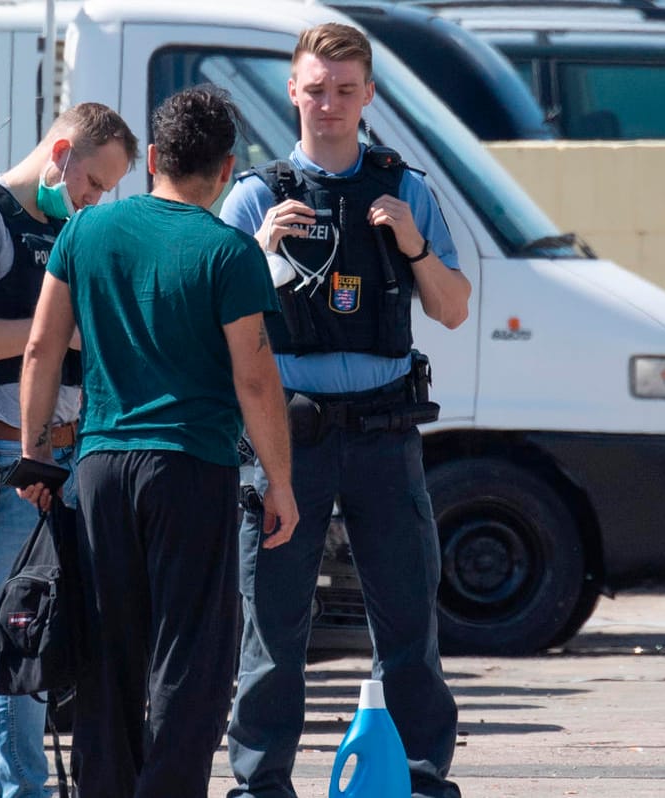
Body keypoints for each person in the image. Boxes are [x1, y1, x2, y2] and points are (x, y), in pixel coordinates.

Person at [17, 84, 298, 797]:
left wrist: (33, 453)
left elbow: (41, 348)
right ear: (227, 169)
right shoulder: (229, 252)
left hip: (100, 467)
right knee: (189, 659)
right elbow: (256, 381)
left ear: (150, 159)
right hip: (190, 468)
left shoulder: (85, 232)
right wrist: (281, 484)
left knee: (107, 654)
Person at [219, 22, 472, 798]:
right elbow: (217, 328)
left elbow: (454, 309)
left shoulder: (407, 190)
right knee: (273, 627)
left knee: (407, 622)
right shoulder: (256, 195)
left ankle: (422, 779)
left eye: (343, 90)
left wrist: (413, 245)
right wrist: (257, 253)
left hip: (383, 430)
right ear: (291, 92)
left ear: (368, 96)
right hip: (284, 438)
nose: (328, 104)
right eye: (315, 89)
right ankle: (261, 784)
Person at [0, 102, 135, 798]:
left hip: (62, 460)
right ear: (62, 151)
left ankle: (24, 786)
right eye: (94, 182)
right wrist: (49, 334)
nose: (95, 199)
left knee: (31, 628)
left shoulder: (66, 228)